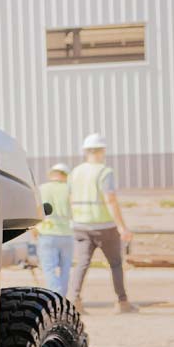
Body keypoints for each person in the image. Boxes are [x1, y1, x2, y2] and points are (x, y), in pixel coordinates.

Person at [67, 132, 137, 313]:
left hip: (80, 225)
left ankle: (74, 300)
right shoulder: (104, 172)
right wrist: (122, 227)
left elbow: (70, 198)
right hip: (104, 226)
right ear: (102, 151)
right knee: (115, 264)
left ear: (85, 151)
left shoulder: (75, 172)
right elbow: (110, 200)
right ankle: (122, 302)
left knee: (82, 264)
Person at [35, 162, 74, 295]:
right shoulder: (69, 189)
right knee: (65, 269)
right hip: (67, 233)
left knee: (49, 269)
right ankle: (62, 296)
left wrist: (34, 229)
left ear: (51, 174)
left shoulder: (42, 188)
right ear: (65, 175)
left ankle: (55, 294)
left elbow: (37, 210)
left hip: (46, 233)